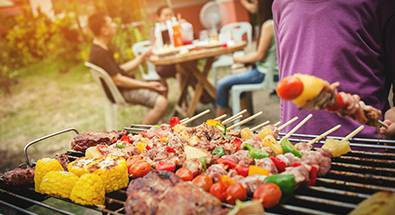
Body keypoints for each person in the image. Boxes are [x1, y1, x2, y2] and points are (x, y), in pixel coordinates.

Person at [272, 0, 395, 138]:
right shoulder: (280, 3)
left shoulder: (383, 4)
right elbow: (286, 71)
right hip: (296, 146)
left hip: (364, 146)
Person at [88, 12, 168, 124]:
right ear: (104, 30)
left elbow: (119, 70)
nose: (114, 25)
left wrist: (141, 58)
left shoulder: (100, 48)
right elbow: (118, 80)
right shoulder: (100, 53)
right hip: (121, 92)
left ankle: (159, 121)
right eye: (111, 23)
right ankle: (140, 135)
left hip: (122, 88)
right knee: (161, 103)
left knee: (161, 83)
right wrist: (148, 85)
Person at [216, 0, 277, 117]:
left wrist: (237, 59)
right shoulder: (278, 21)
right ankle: (245, 114)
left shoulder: (268, 25)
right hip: (273, 70)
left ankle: (218, 120)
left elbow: (259, 55)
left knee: (222, 84)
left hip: (265, 73)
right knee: (239, 75)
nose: (254, 5)